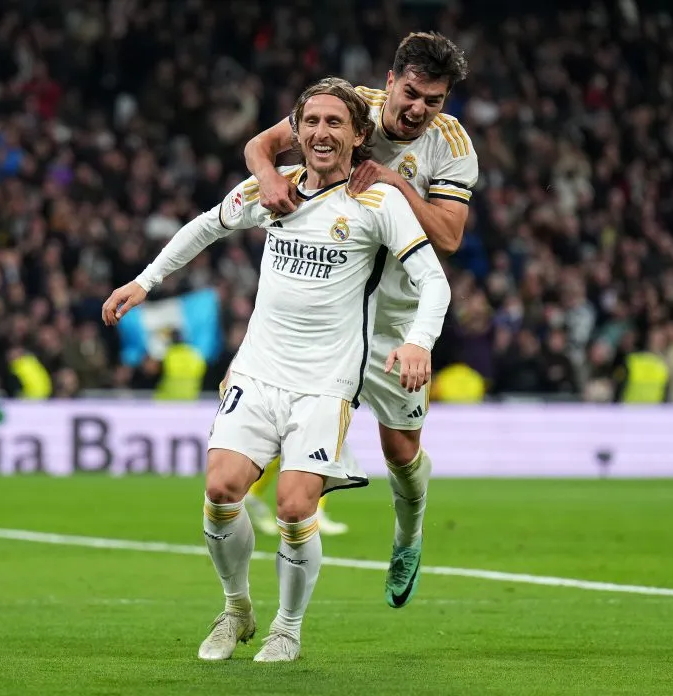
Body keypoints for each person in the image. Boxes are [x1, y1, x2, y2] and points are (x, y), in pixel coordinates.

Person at [102, 77, 451, 663]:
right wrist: (145, 282)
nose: (321, 132)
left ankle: (287, 628)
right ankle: (236, 608)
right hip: (258, 371)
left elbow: (434, 282)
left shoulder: (377, 202)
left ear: (357, 135)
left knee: (293, 507)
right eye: (310, 122)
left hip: (325, 385)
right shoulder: (274, 189)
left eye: (335, 123)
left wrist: (418, 341)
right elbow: (206, 224)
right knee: (220, 491)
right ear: (296, 132)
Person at [243, 31, 477, 608]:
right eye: (412, 93)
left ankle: (409, 535)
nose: (419, 109)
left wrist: (397, 183)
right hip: (332, 312)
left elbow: (448, 237)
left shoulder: (452, 145)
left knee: (401, 452)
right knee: (284, 416)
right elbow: (260, 146)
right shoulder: (348, 109)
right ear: (390, 81)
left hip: (396, 320)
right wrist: (270, 178)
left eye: (434, 100)